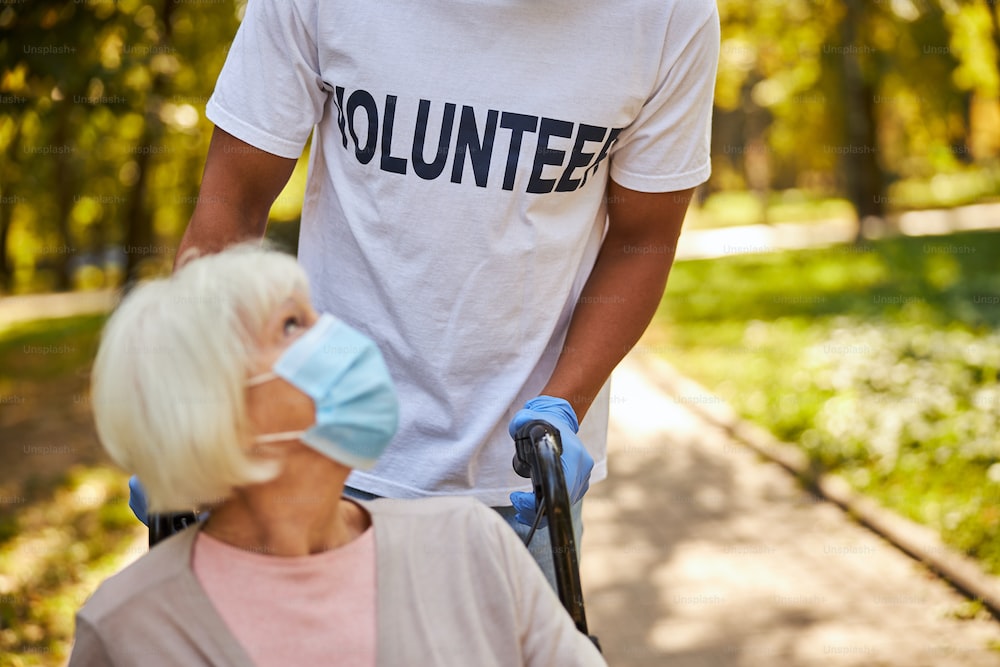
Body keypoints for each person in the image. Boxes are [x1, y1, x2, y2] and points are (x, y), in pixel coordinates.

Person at [131, 0, 721, 584]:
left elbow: (642, 239)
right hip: (310, 454)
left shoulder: (670, 15)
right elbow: (232, 204)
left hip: (521, 493)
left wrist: (565, 404)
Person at [69, 245, 605, 666]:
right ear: (212, 405)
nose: (335, 338)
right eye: (291, 325)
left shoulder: (472, 543)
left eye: (314, 316)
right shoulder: (128, 630)